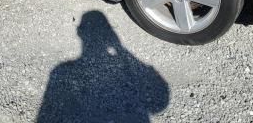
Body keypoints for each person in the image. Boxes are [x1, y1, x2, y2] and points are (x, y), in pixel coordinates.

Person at [37, 10, 169, 122]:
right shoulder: (61, 71)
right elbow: (159, 104)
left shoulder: (60, 71)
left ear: (79, 32)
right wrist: (121, 49)